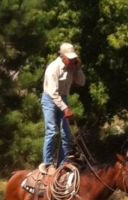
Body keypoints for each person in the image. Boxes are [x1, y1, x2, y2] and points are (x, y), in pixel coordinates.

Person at [39, 42, 86, 175]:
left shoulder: (72, 67)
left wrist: (78, 68)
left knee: (66, 134)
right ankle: (47, 164)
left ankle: (62, 163)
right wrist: (65, 109)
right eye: (70, 59)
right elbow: (53, 93)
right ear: (62, 56)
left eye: (73, 59)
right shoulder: (53, 68)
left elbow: (81, 82)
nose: (72, 61)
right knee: (52, 131)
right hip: (50, 99)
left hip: (63, 99)